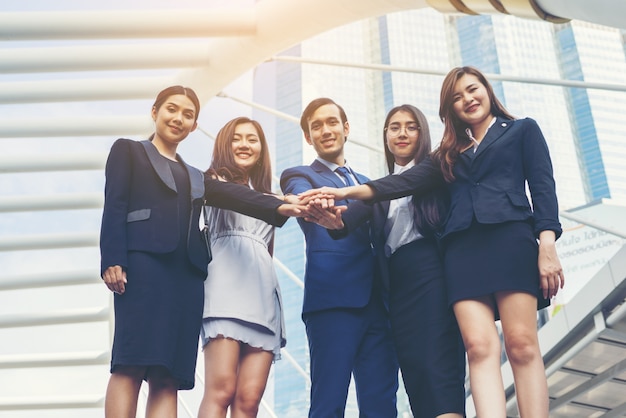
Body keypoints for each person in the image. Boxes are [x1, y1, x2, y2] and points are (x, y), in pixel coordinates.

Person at [301, 67, 565, 418]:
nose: (467, 99)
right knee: (478, 347)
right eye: (457, 97)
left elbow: (543, 189)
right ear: (450, 110)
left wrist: (546, 245)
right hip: (460, 256)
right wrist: (342, 196)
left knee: (520, 344)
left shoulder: (521, 130)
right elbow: (393, 187)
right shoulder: (447, 157)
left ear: (487, 90)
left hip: (507, 243)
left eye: (473, 90)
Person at [100, 86, 303, 418]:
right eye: (172, 109)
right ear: (155, 112)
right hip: (142, 269)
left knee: (168, 376)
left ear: (194, 126)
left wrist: (286, 204)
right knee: (130, 364)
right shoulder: (129, 151)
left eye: (188, 114)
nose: (178, 118)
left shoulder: (196, 177)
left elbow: (243, 198)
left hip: (186, 280)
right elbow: (115, 204)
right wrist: (113, 258)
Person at [308, 104, 465, 418]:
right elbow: (347, 220)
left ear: (422, 132)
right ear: (385, 136)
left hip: (432, 278)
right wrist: (328, 216)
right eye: (394, 127)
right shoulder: (379, 191)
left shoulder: (436, 169)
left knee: (438, 374)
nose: (402, 133)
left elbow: (397, 186)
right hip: (397, 293)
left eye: (411, 126)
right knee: (416, 379)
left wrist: (347, 192)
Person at [280, 97, 398, 417]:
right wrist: (319, 206)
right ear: (308, 137)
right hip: (333, 301)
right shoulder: (300, 175)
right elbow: (299, 193)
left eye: (332, 122)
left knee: (383, 405)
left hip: (380, 304)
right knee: (328, 402)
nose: (326, 130)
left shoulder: (367, 184)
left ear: (346, 129)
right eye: (316, 126)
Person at [197, 117, 292, 418]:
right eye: (237, 138)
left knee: (250, 399)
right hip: (224, 290)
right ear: (224, 144)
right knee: (221, 389)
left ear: (262, 150)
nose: (245, 145)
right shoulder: (208, 184)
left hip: (262, 295)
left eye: (253, 139)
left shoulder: (272, 200)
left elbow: (266, 251)